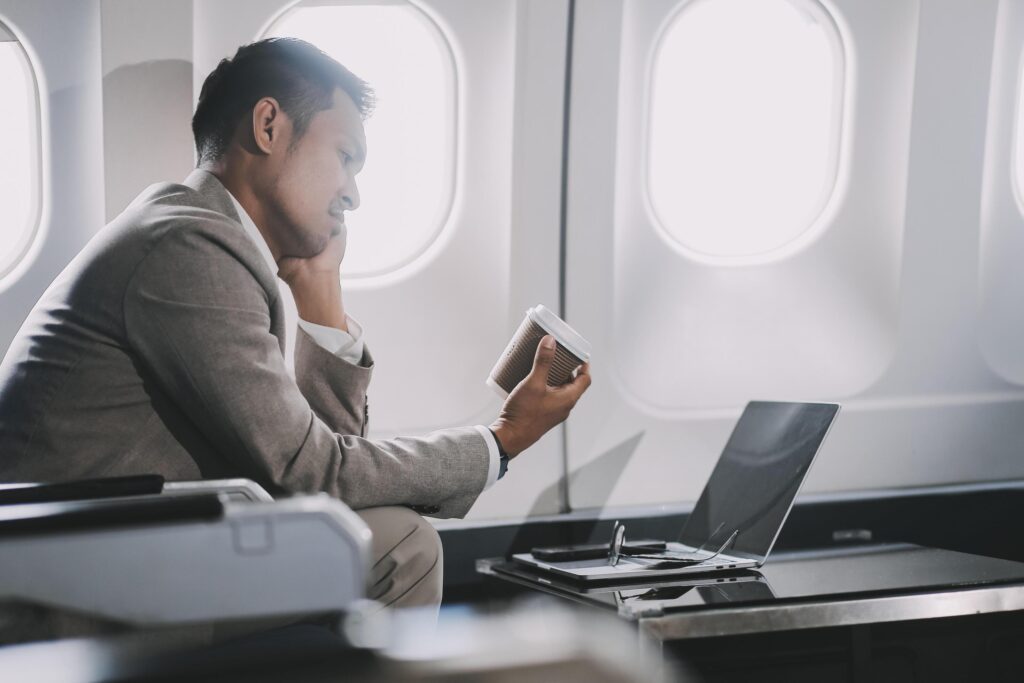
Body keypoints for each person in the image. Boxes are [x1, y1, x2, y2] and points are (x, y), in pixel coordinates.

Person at [0, 38, 591, 611]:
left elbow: (319, 479)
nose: (353, 195)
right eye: (345, 157)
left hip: (109, 547)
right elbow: (314, 473)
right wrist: (503, 438)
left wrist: (320, 295)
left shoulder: (197, 236)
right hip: (60, 579)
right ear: (268, 126)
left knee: (373, 532)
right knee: (399, 548)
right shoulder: (187, 246)